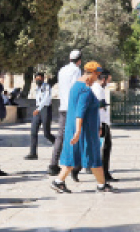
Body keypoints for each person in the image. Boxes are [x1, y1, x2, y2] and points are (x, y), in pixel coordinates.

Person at [50, 62, 115, 194]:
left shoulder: (76, 86)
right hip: (85, 131)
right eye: (97, 75)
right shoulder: (85, 90)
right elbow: (80, 112)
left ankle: (59, 181)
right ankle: (101, 185)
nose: (97, 78)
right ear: (91, 74)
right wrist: (79, 131)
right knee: (93, 156)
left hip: (74, 128)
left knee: (72, 157)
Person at [48, 50, 82, 176]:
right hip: (72, 107)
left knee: (60, 136)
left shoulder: (62, 70)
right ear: (79, 60)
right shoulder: (76, 70)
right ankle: (76, 165)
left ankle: (53, 164)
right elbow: (75, 88)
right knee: (77, 133)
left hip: (63, 106)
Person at [91, 69, 117, 182]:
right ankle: (104, 174)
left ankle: (105, 172)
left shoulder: (100, 89)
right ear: (103, 79)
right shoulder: (97, 89)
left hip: (104, 122)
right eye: (108, 80)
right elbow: (97, 108)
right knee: (104, 148)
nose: (109, 82)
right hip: (101, 123)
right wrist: (100, 125)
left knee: (106, 147)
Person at [26, 72, 55, 160]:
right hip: (38, 109)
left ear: (43, 79)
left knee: (47, 133)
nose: (38, 80)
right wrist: (37, 109)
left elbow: (46, 99)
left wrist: (38, 109)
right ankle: (33, 153)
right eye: (37, 78)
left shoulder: (47, 87)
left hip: (45, 109)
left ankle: (60, 146)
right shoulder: (36, 89)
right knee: (33, 131)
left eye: (40, 78)